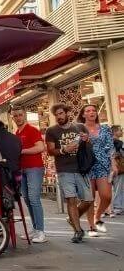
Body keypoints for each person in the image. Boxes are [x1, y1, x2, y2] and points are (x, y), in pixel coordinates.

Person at [45, 103, 94, 243]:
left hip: (81, 169)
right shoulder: (51, 131)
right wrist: (63, 150)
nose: (59, 117)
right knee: (71, 199)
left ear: (67, 113)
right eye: (56, 115)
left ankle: (72, 218)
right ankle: (78, 231)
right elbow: (50, 151)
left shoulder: (80, 127)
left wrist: (86, 140)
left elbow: (89, 146)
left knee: (88, 200)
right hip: (64, 170)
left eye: (61, 113)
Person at [77, 104, 117, 234]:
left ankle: (98, 216)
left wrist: (113, 164)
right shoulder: (79, 129)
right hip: (87, 166)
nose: (91, 112)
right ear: (83, 115)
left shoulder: (105, 128)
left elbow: (110, 147)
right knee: (90, 198)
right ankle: (91, 226)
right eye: (88, 111)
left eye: (94, 110)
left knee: (106, 196)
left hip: (103, 165)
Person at [11, 108, 48, 243]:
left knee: (33, 198)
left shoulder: (32, 130)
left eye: (20, 115)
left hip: (34, 168)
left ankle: (41, 231)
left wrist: (22, 151)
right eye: (16, 115)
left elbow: (40, 147)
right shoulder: (16, 133)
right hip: (22, 169)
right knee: (27, 199)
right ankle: (35, 228)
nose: (18, 117)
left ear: (24, 116)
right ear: (12, 118)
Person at [111, 125, 123, 216]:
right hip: (119, 168)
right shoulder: (118, 143)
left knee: (117, 188)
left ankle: (118, 207)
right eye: (120, 130)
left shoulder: (110, 142)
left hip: (113, 168)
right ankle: (118, 207)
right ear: (115, 132)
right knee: (119, 187)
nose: (122, 131)